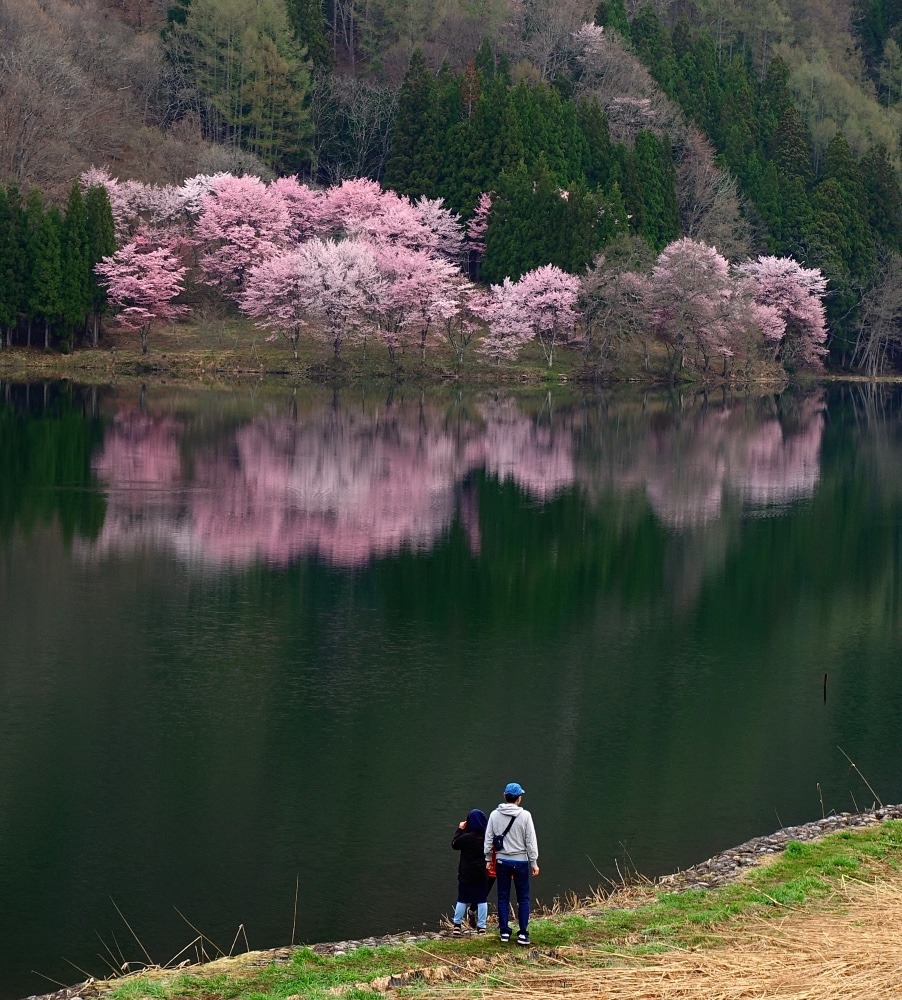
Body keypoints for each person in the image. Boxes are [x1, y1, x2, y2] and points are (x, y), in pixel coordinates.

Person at [484, 782, 539, 945]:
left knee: (502, 897)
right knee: (523, 898)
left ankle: (504, 932)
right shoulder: (525, 816)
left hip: (501, 861)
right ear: (519, 798)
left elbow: (488, 839)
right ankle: (523, 933)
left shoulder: (495, 815)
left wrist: (488, 859)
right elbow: (530, 841)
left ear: (504, 796)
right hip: (521, 861)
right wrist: (534, 862)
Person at [451, 809, 492, 935]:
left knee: (462, 899)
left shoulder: (466, 837)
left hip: (465, 873)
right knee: (482, 900)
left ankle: (457, 926)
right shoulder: (487, 838)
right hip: (481, 873)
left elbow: (454, 844)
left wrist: (460, 829)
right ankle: (481, 926)